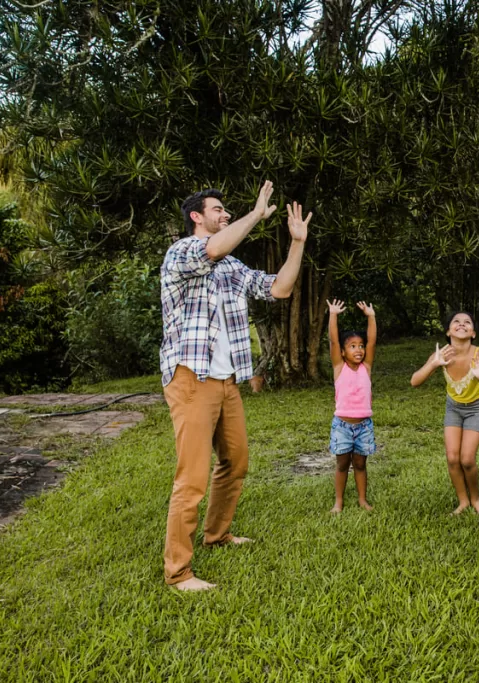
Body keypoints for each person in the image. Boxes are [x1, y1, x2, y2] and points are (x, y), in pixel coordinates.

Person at [160, 181, 311, 592]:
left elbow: (278, 289)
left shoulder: (230, 267)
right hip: (192, 375)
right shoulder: (182, 252)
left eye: (227, 210)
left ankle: (217, 533)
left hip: (226, 380)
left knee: (236, 461)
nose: (225, 214)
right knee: (191, 478)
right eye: (219, 210)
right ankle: (178, 572)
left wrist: (296, 243)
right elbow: (212, 248)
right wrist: (256, 213)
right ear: (197, 216)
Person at [410, 311, 479, 515]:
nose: (462, 324)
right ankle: (463, 501)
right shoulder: (442, 354)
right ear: (449, 331)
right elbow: (414, 381)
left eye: (467, 322)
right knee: (452, 457)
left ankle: (475, 500)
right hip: (454, 408)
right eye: (456, 321)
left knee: (467, 459)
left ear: (473, 333)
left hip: (477, 408)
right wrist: (433, 364)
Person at [327, 299, 378, 513]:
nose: (359, 350)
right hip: (342, 426)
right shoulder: (339, 367)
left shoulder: (366, 367)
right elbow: (333, 342)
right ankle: (338, 501)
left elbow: (373, 341)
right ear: (343, 352)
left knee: (360, 464)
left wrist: (371, 316)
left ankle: (362, 499)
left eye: (361, 346)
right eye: (352, 346)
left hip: (364, 426)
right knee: (341, 465)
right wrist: (333, 315)